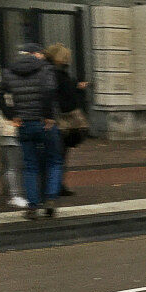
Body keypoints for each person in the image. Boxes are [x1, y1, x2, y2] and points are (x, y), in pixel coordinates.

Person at [0, 43, 62, 220]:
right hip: (44, 123)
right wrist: (48, 115)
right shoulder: (46, 69)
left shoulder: (9, 71)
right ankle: (50, 199)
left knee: (30, 165)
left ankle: (32, 206)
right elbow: (49, 91)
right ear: (36, 54)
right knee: (54, 160)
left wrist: (11, 115)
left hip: (24, 123)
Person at [44, 43, 88, 197]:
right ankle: (55, 186)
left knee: (59, 153)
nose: (67, 60)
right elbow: (61, 95)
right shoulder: (56, 74)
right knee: (58, 154)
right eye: (65, 57)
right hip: (60, 119)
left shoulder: (56, 73)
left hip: (57, 118)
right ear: (58, 58)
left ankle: (56, 184)